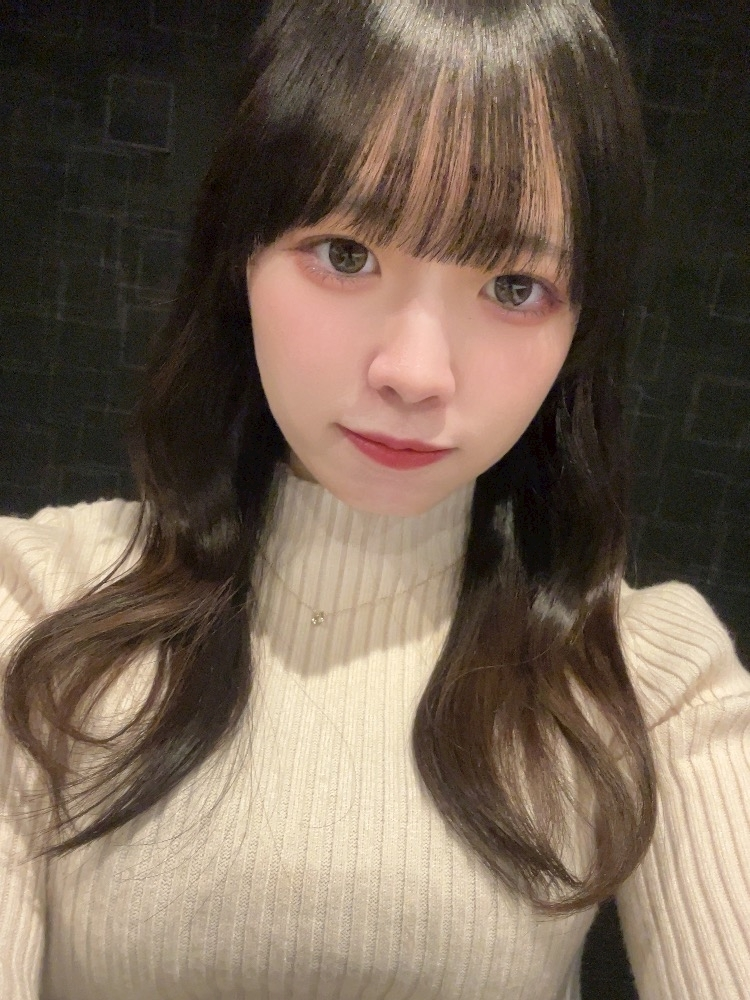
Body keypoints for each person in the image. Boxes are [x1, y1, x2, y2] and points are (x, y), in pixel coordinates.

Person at [1, 0, 748, 997]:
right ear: (240, 259)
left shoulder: (653, 678)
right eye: (347, 253)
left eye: (514, 285)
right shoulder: (35, 608)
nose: (415, 373)